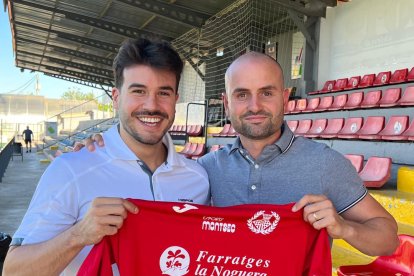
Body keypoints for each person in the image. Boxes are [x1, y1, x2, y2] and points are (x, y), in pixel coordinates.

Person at [81, 52, 399, 257]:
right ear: (227, 102)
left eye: (267, 93)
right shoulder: (204, 169)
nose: (255, 106)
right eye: (242, 94)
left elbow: (387, 239)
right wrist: (103, 145)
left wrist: (344, 228)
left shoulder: (326, 164)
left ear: (286, 97)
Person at [3, 38, 210, 276]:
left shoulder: (198, 178)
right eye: (138, 91)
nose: (151, 105)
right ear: (116, 97)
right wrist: (78, 235)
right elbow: (13, 271)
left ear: (176, 100)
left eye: (163, 93)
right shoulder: (70, 169)